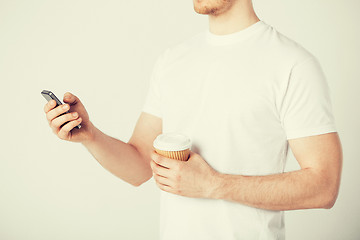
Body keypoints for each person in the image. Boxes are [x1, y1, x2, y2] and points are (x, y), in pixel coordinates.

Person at [43, 0, 343, 239]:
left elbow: (324, 185)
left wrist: (215, 185)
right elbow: (138, 168)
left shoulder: (293, 64)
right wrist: (90, 136)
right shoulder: (173, 61)